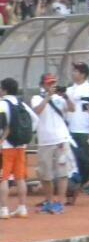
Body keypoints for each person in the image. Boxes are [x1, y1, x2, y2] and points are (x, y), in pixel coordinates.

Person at [31, 74, 73, 214]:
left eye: (53, 83)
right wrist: (48, 96)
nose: (52, 86)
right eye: (49, 83)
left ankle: (60, 202)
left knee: (62, 173)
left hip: (61, 139)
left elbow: (72, 109)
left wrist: (66, 96)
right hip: (45, 141)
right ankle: (49, 201)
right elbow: (37, 111)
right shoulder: (37, 98)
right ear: (42, 84)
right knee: (45, 174)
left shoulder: (60, 99)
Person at [0, 78, 38, 219]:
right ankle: (22, 208)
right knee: (20, 177)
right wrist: (26, 135)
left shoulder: (2, 104)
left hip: (5, 146)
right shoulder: (22, 104)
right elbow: (35, 119)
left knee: (3, 178)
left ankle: (3, 209)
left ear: (4, 89)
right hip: (21, 146)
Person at [65, 63, 89, 205]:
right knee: (71, 162)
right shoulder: (70, 89)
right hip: (70, 130)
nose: (73, 73)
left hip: (84, 130)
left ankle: (80, 184)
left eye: (76, 71)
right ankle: (72, 190)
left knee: (85, 162)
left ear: (83, 74)